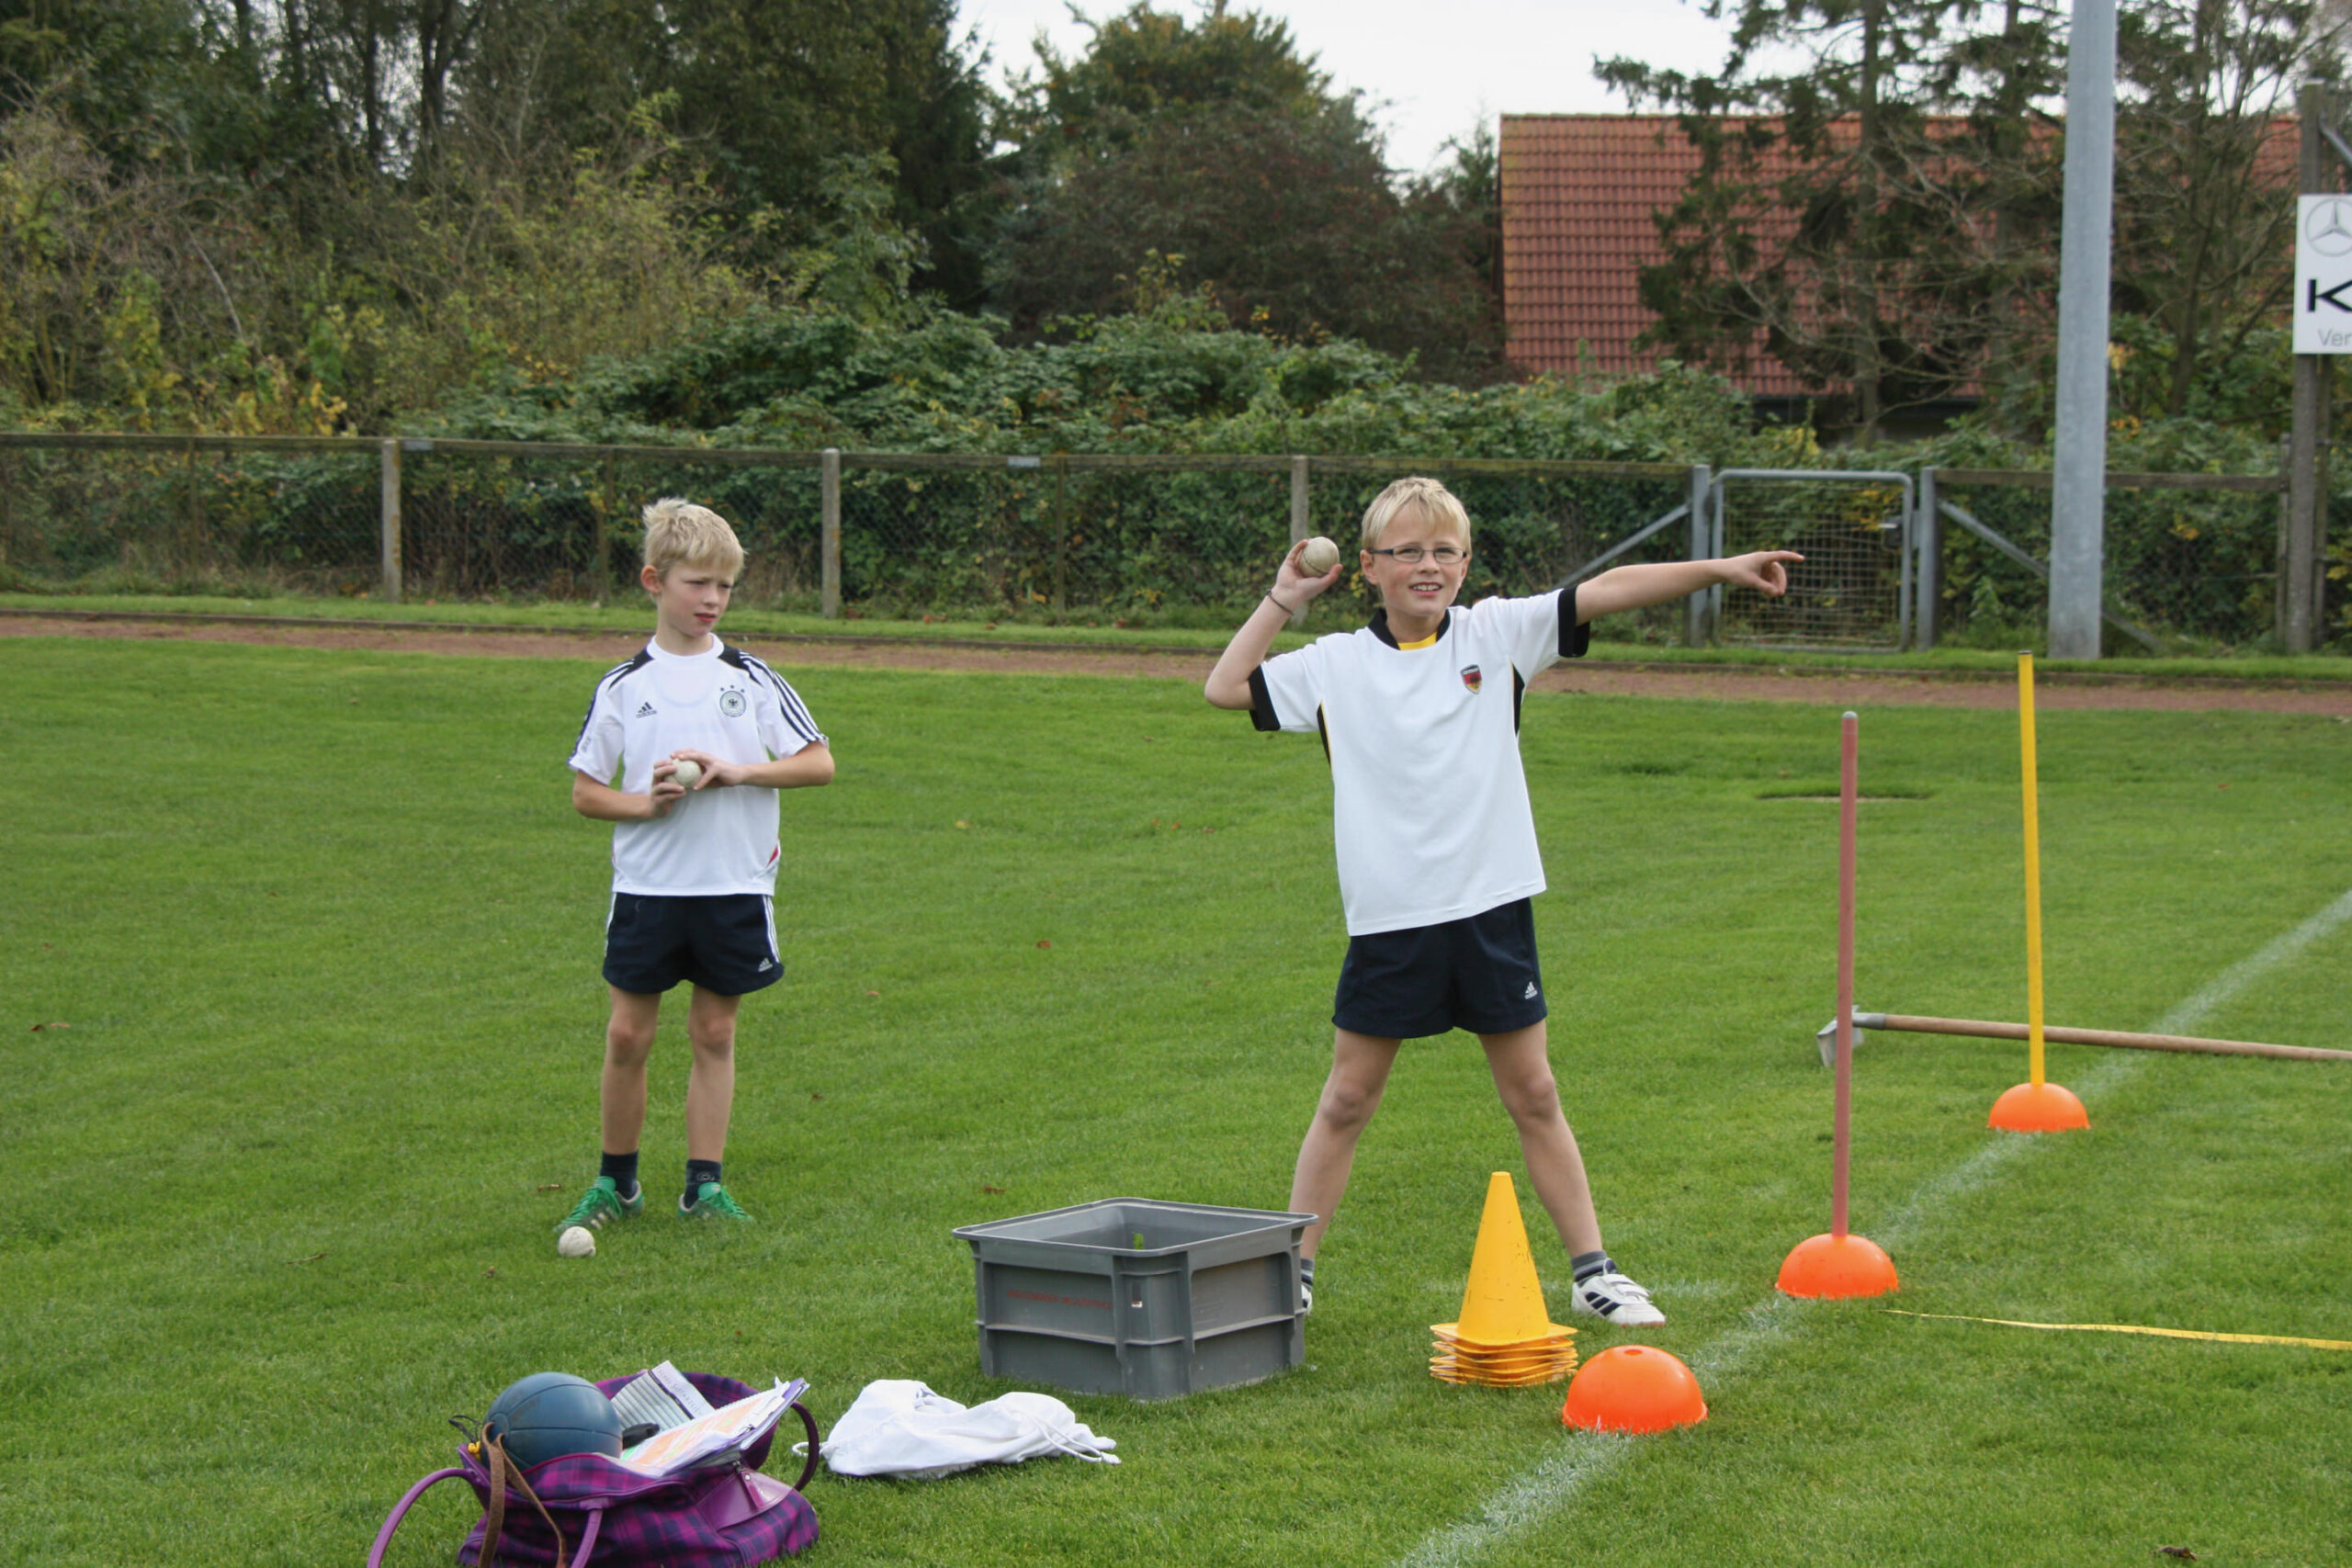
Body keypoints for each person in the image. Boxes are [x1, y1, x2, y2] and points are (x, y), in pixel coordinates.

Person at [1204, 476, 1799, 1325]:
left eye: (1444, 550)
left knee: (1535, 1094)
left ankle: (1594, 1271)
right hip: (1392, 922)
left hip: (1491, 911)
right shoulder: (1335, 664)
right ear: (1367, 566)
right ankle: (1292, 1270)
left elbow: (1611, 587)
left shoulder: (1497, 633)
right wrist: (1283, 599)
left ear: (1467, 561)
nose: (1427, 566)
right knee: (1345, 1099)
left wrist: (1722, 567)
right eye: (1406, 551)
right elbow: (1226, 687)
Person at [557, 499, 834, 1231]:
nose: (712, 599)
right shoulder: (625, 685)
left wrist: (738, 771)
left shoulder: (752, 675)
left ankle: (702, 1186)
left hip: (734, 883)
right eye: (697, 583)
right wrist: (644, 805)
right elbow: (587, 793)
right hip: (649, 887)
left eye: (726, 586)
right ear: (654, 579)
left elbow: (819, 763)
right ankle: (617, 1182)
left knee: (714, 1032)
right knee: (627, 1035)